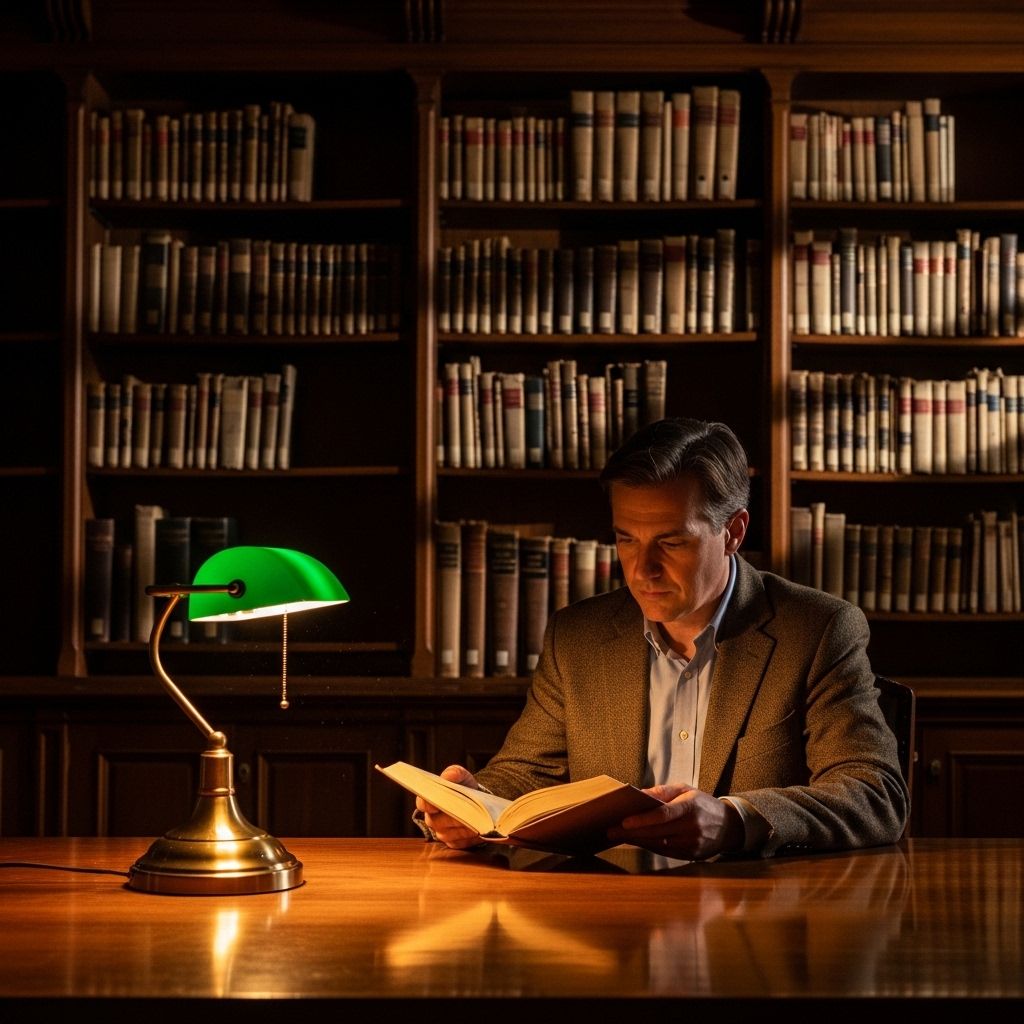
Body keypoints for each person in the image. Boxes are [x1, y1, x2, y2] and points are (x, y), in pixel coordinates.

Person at [417, 417, 909, 859]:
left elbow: (873, 794)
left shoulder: (817, 629)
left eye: (671, 542)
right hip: (612, 923)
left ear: (733, 532)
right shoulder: (578, 637)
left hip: (756, 920)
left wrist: (736, 820)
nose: (642, 569)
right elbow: (524, 777)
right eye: (626, 539)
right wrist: (467, 801)